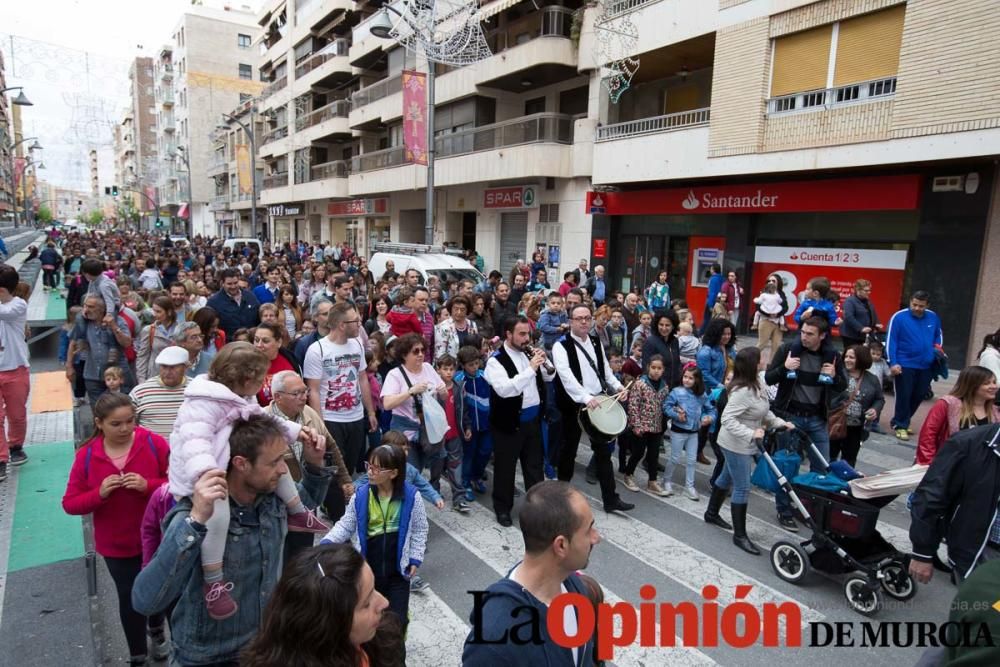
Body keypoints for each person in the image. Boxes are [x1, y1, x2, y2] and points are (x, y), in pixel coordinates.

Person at [133, 414, 332, 665]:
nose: (283, 470)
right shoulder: (195, 516)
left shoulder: (271, 498)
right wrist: (194, 523)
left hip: (263, 648)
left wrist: (314, 465)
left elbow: (305, 504)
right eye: (274, 462)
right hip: (207, 658)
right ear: (241, 464)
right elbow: (146, 600)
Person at [167, 343, 330, 621]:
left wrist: (295, 431)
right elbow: (195, 444)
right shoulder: (203, 402)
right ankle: (214, 580)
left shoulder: (241, 397)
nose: (263, 385)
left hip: (225, 462)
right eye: (260, 379)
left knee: (278, 467)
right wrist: (208, 475)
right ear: (245, 380)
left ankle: (298, 512)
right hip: (204, 475)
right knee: (218, 517)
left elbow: (264, 419)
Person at [62, 394, 171, 666]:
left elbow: (177, 484)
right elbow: (70, 504)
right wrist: (98, 494)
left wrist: (148, 485)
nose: (125, 429)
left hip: (158, 538)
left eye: (130, 422)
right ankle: (137, 655)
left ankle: (157, 630)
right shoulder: (87, 456)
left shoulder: (153, 443)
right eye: (116, 424)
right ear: (99, 424)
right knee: (130, 598)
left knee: (162, 592)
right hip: (117, 546)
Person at [462, 480, 599, 666]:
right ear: (561, 545)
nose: (596, 538)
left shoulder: (575, 588)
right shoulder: (492, 642)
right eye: (588, 530)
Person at [320, 444, 428, 638]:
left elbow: (420, 529)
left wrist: (415, 558)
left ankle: (396, 656)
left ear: (394, 473)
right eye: (368, 466)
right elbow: (346, 525)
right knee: (372, 622)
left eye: (376, 468)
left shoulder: (412, 497)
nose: (369, 471)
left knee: (398, 622)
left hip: (398, 575)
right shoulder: (361, 496)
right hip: (370, 574)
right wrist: (326, 544)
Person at [240, 543, 404, 667]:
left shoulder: (383, 641)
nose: (384, 602)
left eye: (374, 589)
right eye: (366, 604)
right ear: (327, 625)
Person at [707, 347, 795, 554]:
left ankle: (711, 513)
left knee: (726, 477)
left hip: (744, 441)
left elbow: (764, 412)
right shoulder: (742, 391)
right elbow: (727, 419)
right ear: (752, 364)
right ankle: (740, 536)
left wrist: (780, 423)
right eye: (760, 359)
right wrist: (750, 434)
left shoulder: (759, 383)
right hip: (735, 443)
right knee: (742, 487)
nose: (764, 361)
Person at [765, 317, 847, 531]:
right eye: (803, 332)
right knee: (787, 465)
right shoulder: (787, 350)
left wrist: (835, 376)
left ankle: (812, 511)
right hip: (790, 417)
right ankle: (784, 510)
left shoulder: (832, 356)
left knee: (822, 467)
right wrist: (784, 368)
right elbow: (769, 379)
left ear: (822, 336)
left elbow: (842, 387)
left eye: (810, 334)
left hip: (817, 420)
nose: (804, 337)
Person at [264, 370, 355, 559]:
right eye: (296, 393)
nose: (303, 397)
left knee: (303, 551)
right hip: (277, 503)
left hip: (307, 495)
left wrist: (345, 478)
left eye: (304, 391)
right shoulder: (263, 421)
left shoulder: (309, 413)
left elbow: (331, 444)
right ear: (277, 397)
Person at [553, 305, 633, 513]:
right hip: (575, 404)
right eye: (578, 318)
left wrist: (618, 387)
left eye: (587, 318)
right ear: (570, 321)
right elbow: (566, 378)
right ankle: (561, 496)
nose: (583, 322)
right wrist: (585, 397)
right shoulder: (561, 345)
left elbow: (605, 371)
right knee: (568, 450)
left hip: (597, 400)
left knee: (603, 452)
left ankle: (611, 499)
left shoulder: (596, 341)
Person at [909, 422, 1000, 586]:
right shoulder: (968, 443)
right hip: (983, 554)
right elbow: (932, 497)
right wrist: (922, 552)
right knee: (987, 609)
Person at [484, 316, 554, 526]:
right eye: (522, 334)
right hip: (508, 423)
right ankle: (503, 509)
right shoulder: (495, 361)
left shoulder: (529, 354)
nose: (527, 339)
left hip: (532, 421)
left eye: (528, 334)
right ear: (508, 334)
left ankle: (537, 509)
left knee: (534, 467)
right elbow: (506, 390)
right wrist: (531, 369)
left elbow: (549, 378)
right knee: (505, 468)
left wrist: (545, 364)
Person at [304, 302, 379, 475]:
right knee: (334, 470)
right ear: (341, 325)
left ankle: (347, 500)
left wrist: (371, 412)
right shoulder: (317, 350)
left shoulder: (357, 344)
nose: (360, 325)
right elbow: (313, 390)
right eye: (355, 321)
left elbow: (362, 378)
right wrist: (319, 424)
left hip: (355, 416)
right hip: (331, 418)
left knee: (350, 467)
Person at [381, 333, 449, 483]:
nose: (420, 354)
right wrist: (410, 391)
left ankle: (431, 490)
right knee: (411, 472)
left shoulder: (428, 368)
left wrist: (443, 392)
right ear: (404, 354)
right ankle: (408, 501)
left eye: (422, 350)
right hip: (405, 430)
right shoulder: (395, 374)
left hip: (427, 427)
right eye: (415, 351)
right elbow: (387, 404)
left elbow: (442, 395)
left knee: (437, 458)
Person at [885, 291, 944, 441]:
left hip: (926, 364)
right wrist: (893, 362)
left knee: (919, 394)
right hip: (904, 363)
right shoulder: (898, 317)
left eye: (921, 306)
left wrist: (936, 349)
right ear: (910, 302)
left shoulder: (933, 316)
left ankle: (903, 420)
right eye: (914, 304)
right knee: (904, 395)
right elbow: (891, 340)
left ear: (927, 305)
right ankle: (900, 424)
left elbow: (938, 335)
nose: (917, 308)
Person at [915, 365, 999, 466]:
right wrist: (929, 464)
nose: (994, 386)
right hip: (948, 466)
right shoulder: (948, 404)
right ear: (972, 385)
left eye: (994, 382)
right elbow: (928, 434)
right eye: (987, 383)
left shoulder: (995, 411)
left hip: (979, 470)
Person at [66, 295, 134, 405]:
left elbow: (127, 343)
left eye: (91, 307)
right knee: (98, 410)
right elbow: (72, 343)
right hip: (93, 375)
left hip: (117, 376)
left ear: (102, 309)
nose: (86, 310)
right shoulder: (83, 323)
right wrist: (69, 366)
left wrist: (114, 326)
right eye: (85, 306)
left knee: (120, 408)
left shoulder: (118, 321)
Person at [663, 366, 717, 500]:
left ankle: (690, 486)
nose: (686, 380)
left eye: (690, 378)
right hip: (678, 430)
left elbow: (711, 409)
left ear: (697, 380)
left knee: (692, 460)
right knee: (674, 458)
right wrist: (676, 415)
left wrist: (709, 418)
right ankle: (666, 481)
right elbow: (666, 407)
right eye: (685, 377)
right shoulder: (676, 392)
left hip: (694, 432)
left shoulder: (702, 395)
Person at [828, 345, 885, 467]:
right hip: (834, 423)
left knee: (849, 461)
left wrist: (875, 409)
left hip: (856, 427)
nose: (847, 359)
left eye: (851, 357)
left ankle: (843, 484)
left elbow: (879, 399)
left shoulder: (872, 379)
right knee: (828, 458)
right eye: (846, 356)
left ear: (861, 359)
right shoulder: (837, 374)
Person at [622, 355, 671, 496]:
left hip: (656, 427)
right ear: (648, 367)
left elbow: (666, 405)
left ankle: (652, 482)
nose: (656, 371)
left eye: (659, 368)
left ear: (663, 370)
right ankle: (628, 474)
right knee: (638, 452)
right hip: (641, 427)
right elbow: (633, 406)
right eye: (653, 367)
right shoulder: (640, 384)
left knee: (653, 455)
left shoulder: (664, 386)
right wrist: (636, 425)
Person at [0, 265, 30, 476]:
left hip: (16, 368)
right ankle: (1, 458)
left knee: (16, 415)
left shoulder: (18, 305)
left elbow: (6, 313)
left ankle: (15, 446)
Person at [435, 354, 472, 512]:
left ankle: (459, 497)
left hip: (455, 433)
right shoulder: (434, 389)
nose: (449, 372)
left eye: (451, 369)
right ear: (438, 370)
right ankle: (434, 491)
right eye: (445, 369)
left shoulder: (459, 387)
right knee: (436, 464)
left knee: (456, 465)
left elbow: (464, 411)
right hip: (438, 435)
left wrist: (467, 426)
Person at [129, 346, 191, 439]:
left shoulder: (196, 390)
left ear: (185, 367)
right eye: (164, 366)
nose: (168, 371)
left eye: (173, 367)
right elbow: (129, 424)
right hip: (151, 450)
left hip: (187, 449)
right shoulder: (140, 392)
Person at [206, 268, 261, 341]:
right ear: (222, 283)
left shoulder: (250, 296)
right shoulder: (213, 302)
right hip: (228, 345)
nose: (233, 286)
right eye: (229, 284)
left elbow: (258, 319)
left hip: (251, 343)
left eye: (235, 283)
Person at [252, 322, 300, 406]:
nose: (259, 345)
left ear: (279, 342)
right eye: (256, 340)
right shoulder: (246, 363)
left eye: (265, 341)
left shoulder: (289, 365)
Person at [135, 296, 180, 384]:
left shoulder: (180, 329)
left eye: (158, 311)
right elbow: (142, 356)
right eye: (154, 311)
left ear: (169, 312)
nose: (154, 314)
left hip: (176, 376)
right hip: (154, 376)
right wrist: (142, 381)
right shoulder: (149, 330)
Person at [641, 308, 682, 386]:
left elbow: (677, 364)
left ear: (673, 326)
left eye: (667, 325)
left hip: (674, 387)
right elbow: (646, 368)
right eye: (661, 324)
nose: (664, 328)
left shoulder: (675, 341)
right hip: (658, 388)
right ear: (656, 325)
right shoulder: (651, 342)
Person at [840, 279, 883, 349]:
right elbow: (848, 317)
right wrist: (860, 328)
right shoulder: (850, 301)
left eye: (869, 290)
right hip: (851, 337)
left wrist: (876, 323)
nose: (869, 292)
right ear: (858, 290)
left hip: (864, 336)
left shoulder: (867, 301)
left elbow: (872, 313)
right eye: (866, 290)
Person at [434, 295, 478, 362]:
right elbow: (440, 353)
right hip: (450, 367)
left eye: (462, 310)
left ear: (467, 310)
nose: (459, 312)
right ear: (451, 309)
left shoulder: (472, 325)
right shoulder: (443, 327)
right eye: (456, 309)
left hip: (470, 366)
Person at [752, 274, 786, 360]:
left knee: (776, 346)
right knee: (762, 343)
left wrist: (777, 314)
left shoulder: (781, 294)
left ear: (778, 282)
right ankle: (749, 359)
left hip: (778, 323)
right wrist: (769, 314)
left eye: (773, 281)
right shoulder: (764, 292)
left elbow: (785, 307)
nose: (771, 282)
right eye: (769, 281)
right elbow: (758, 307)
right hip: (766, 321)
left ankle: (771, 367)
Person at [700, 263, 723, 335]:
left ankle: (701, 333)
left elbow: (712, 292)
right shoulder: (722, 278)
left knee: (706, 319)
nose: (710, 270)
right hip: (719, 302)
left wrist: (710, 305)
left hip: (711, 301)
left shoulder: (713, 279)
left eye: (711, 268)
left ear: (713, 269)